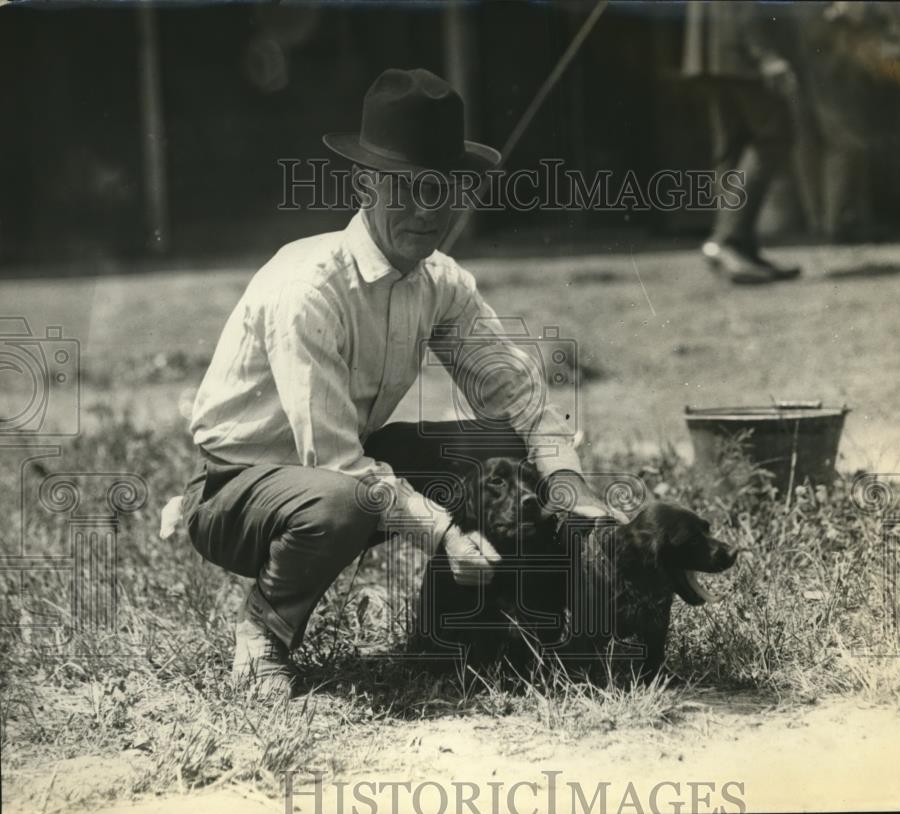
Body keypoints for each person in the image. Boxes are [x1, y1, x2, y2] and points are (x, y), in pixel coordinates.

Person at [180, 68, 615, 697]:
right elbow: (332, 463)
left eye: (442, 189)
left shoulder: (440, 281)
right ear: (364, 184)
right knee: (342, 500)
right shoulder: (310, 289)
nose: (426, 210)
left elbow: (516, 397)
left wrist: (570, 485)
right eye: (406, 188)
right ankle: (265, 632)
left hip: (344, 472)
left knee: (504, 452)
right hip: (236, 494)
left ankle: (464, 628)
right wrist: (444, 530)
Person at [683, 1, 803, 284]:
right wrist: (765, 54)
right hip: (741, 52)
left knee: (732, 149)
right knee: (772, 138)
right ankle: (730, 241)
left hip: (711, 49)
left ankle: (740, 251)